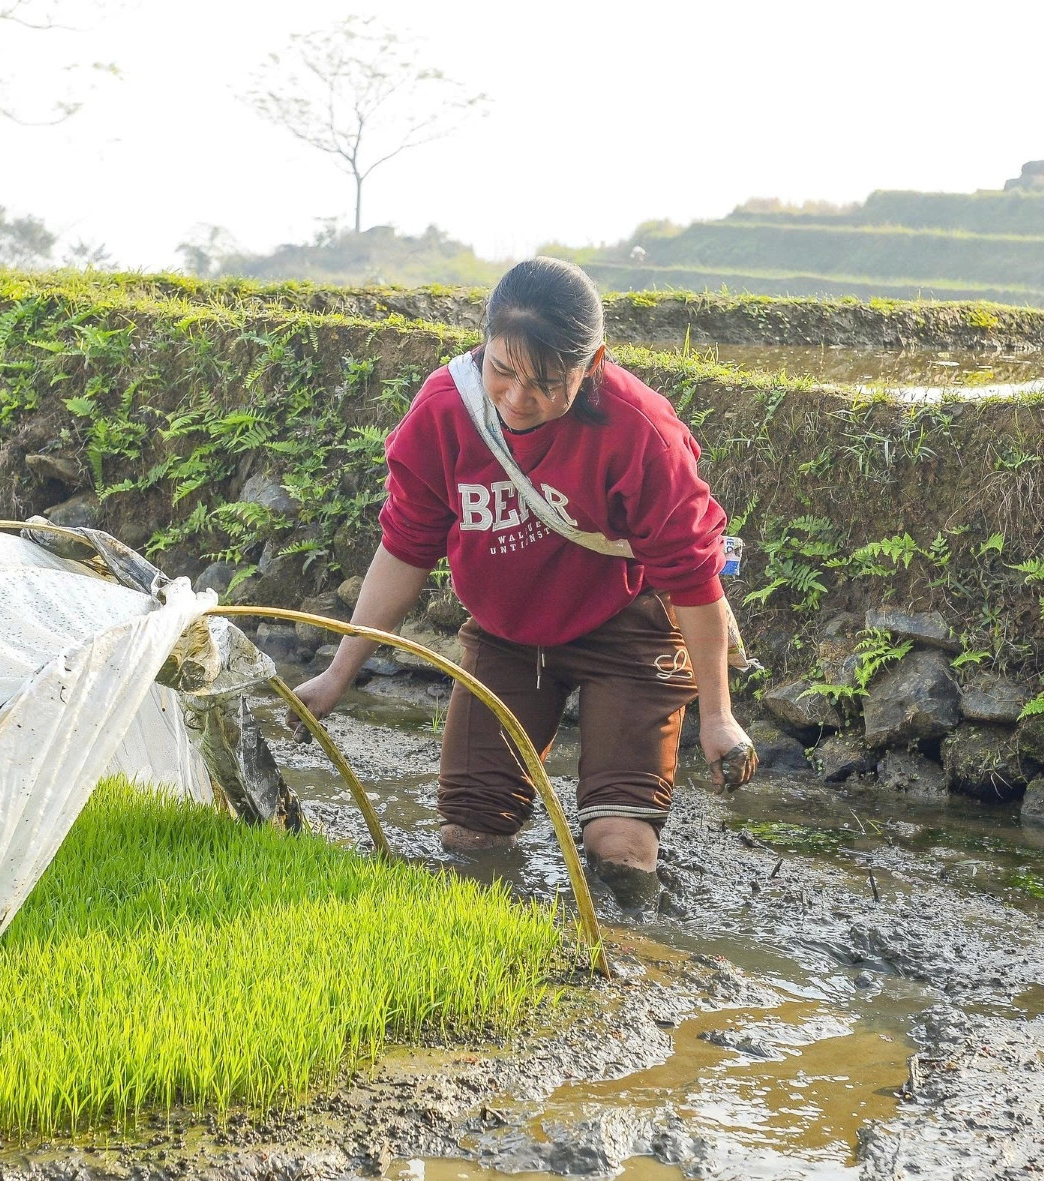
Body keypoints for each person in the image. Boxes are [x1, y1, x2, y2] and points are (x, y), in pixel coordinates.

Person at [290, 257, 756, 910]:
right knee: (470, 834)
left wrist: (718, 716)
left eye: (545, 384)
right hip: (508, 632)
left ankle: (634, 962)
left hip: (627, 628)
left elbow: (692, 580)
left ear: (591, 366)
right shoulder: (445, 412)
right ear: (482, 345)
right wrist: (339, 673)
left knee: (618, 845)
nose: (516, 399)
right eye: (502, 372)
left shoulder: (639, 432)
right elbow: (406, 547)